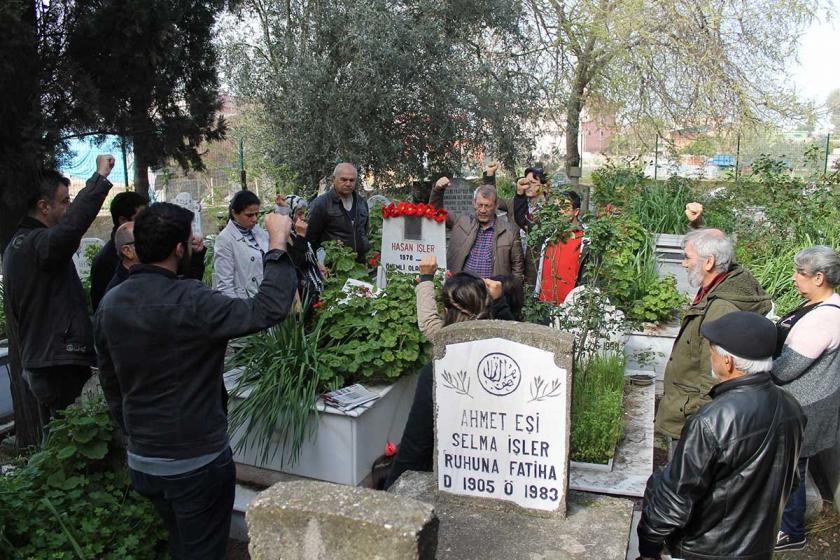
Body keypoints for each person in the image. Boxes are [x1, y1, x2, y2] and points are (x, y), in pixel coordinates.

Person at [94, 203, 297, 560]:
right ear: (177, 249)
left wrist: (134, 432)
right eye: (189, 241)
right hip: (196, 463)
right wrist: (277, 244)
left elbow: (111, 384)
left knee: (181, 543)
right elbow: (266, 309)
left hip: (144, 461)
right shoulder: (194, 301)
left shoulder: (111, 303)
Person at [637, 312, 805, 560]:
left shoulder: (711, 420)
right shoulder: (792, 407)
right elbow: (791, 480)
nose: (710, 356)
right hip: (759, 549)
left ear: (728, 362)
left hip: (703, 550)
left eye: (712, 351)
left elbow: (674, 499)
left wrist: (648, 549)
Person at [2, 155, 115, 432]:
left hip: (46, 360)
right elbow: (72, 227)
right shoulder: (37, 244)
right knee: (72, 441)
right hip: (57, 362)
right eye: (65, 202)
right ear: (43, 206)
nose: (69, 208)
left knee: (57, 441)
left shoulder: (21, 245)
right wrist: (99, 179)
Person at [385, 263, 514, 488]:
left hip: (455, 478)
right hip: (502, 477)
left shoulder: (439, 368)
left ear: (446, 312)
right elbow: (517, 334)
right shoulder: (508, 356)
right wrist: (500, 301)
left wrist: (392, 489)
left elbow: (416, 445)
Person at [654, 228, 771, 444]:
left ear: (709, 262)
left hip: (690, 419)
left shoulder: (721, 309)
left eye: (687, 257)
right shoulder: (718, 287)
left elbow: (714, 376)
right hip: (686, 408)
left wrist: (699, 425)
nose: (684, 264)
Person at [772, 246, 840, 551]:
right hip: (802, 401)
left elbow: (787, 369)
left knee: (792, 467)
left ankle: (791, 531)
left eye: (800, 272)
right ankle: (785, 524)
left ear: (819, 277)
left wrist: (756, 366)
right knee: (790, 465)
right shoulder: (814, 305)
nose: (794, 277)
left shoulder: (824, 318)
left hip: (806, 405)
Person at [429, 176, 524, 285]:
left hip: (492, 293)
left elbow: (518, 268)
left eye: (487, 206)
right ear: (474, 203)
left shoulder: (510, 232)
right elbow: (436, 213)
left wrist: (511, 294)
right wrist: (437, 190)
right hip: (462, 290)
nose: (483, 210)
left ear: (496, 206)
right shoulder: (461, 222)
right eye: (480, 205)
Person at [515, 187, 584, 303]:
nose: (560, 211)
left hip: (570, 307)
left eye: (565, 207)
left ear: (576, 211)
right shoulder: (547, 234)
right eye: (557, 207)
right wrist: (520, 194)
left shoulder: (585, 240)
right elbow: (522, 219)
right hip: (544, 303)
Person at [104, 221, 207, 296]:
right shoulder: (119, 291)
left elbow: (185, 289)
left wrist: (195, 254)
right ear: (127, 251)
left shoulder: (152, 270)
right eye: (144, 241)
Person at [90, 191, 147, 311]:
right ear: (123, 220)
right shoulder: (105, 261)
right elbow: (101, 307)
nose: (147, 223)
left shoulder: (145, 247)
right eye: (141, 218)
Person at [306, 162, 370, 262]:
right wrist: (320, 264)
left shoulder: (361, 203)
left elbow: (364, 232)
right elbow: (310, 239)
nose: (348, 183)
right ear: (333, 179)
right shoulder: (321, 204)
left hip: (359, 266)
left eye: (352, 180)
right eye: (343, 179)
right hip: (333, 268)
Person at [212, 190, 269, 298]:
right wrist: (236, 311)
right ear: (234, 213)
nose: (254, 219)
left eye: (256, 214)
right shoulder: (225, 239)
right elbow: (225, 284)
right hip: (245, 303)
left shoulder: (258, 231)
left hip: (266, 298)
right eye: (249, 215)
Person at [276, 194, 324, 306]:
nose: (303, 217)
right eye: (299, 214)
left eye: (304, 213)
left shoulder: (296, 232)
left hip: (312, 292)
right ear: (289, 215)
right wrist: (301, 236)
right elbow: (296, 262)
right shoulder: (283, 238)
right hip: (301, 298)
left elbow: (308, 256)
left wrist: (319, 266)